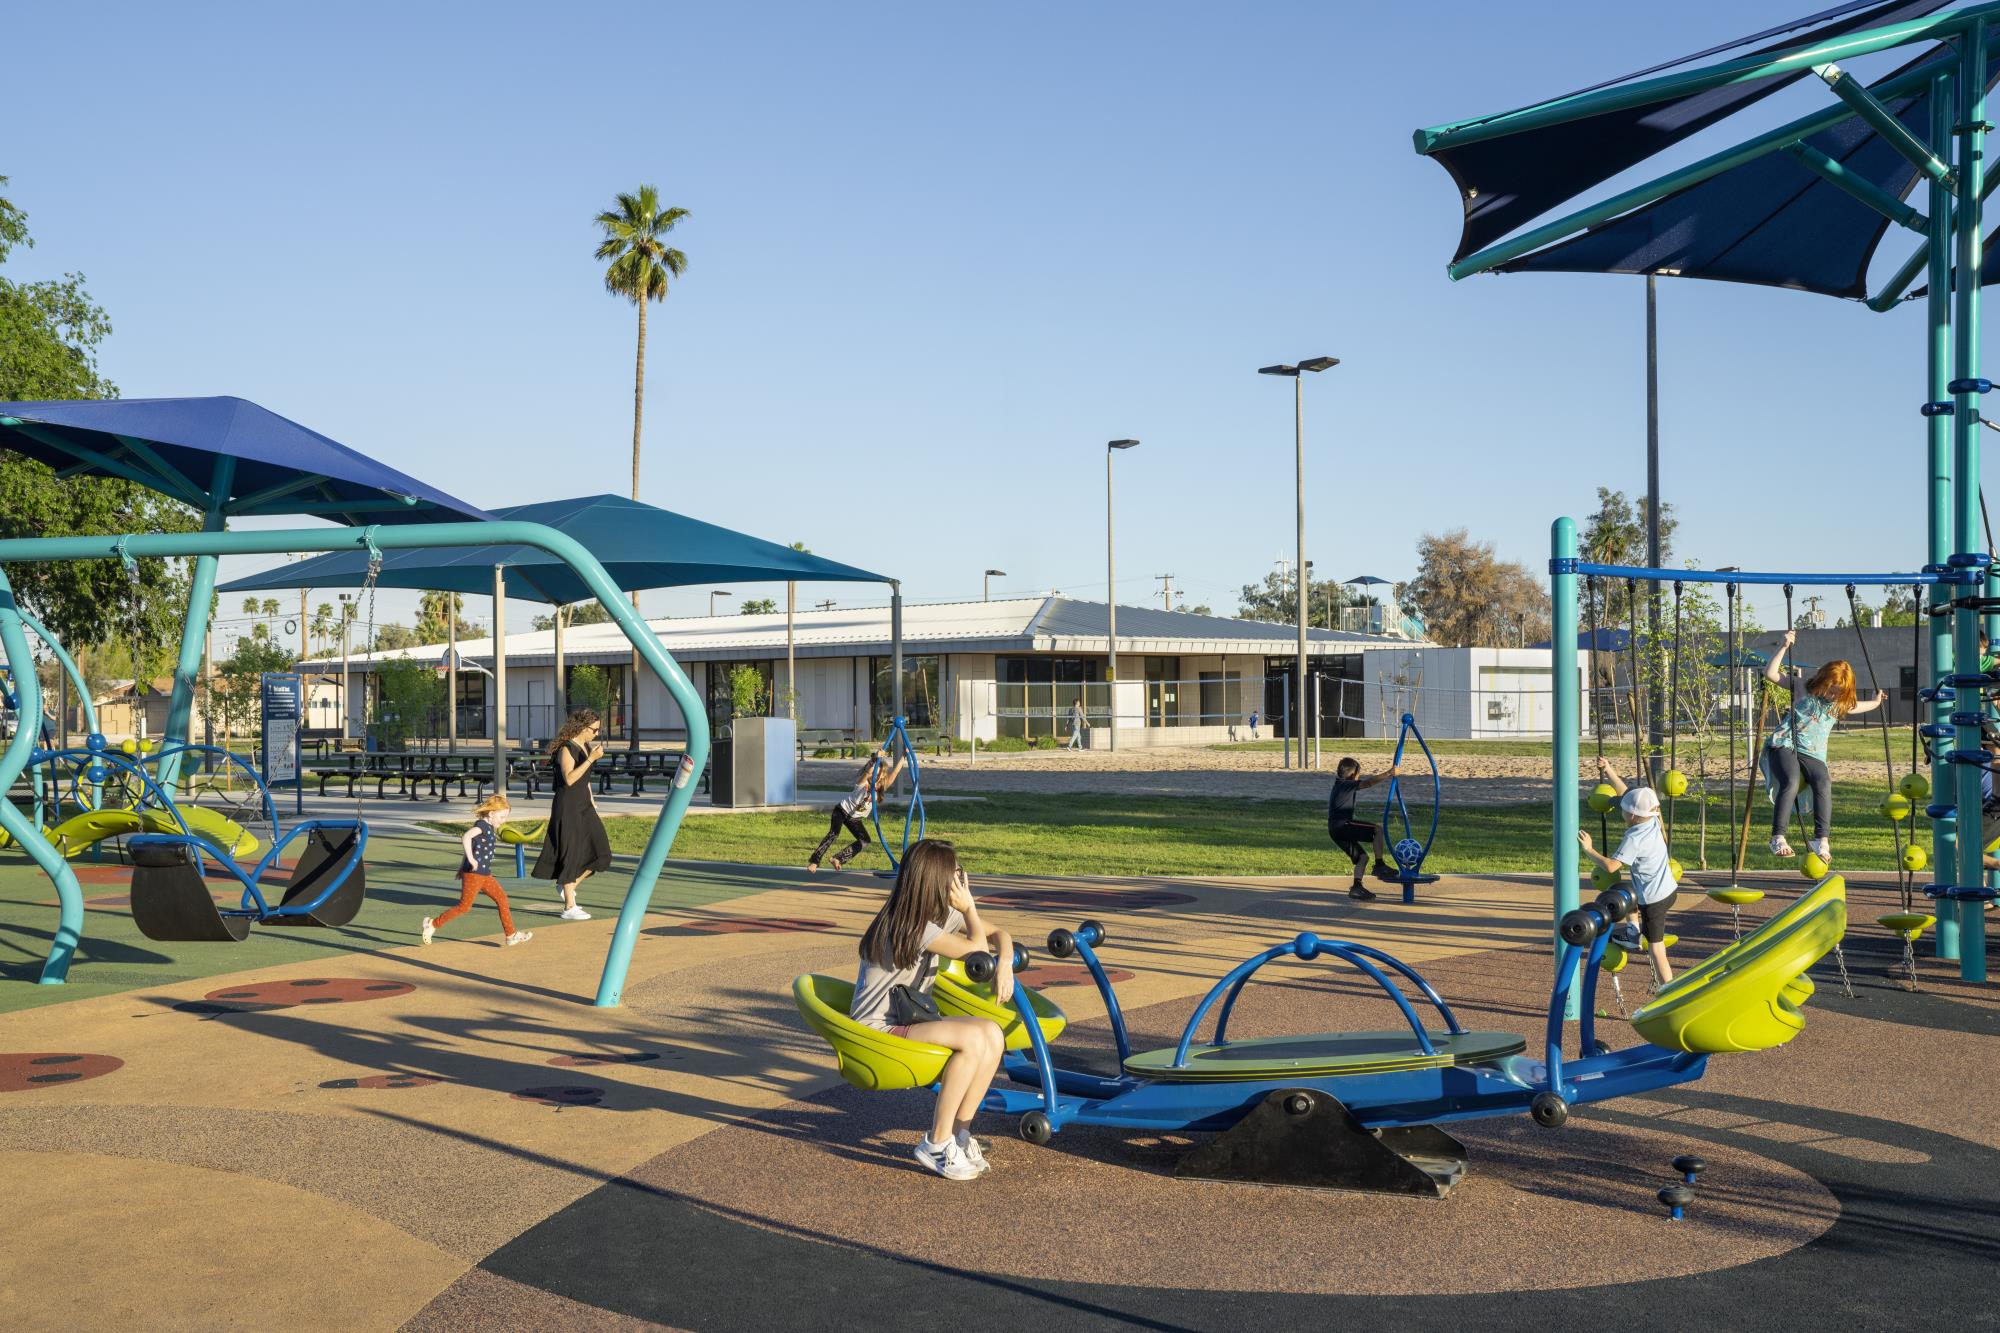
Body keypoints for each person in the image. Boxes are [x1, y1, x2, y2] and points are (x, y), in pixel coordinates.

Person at [851, 839, 1012, 1180]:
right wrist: (970, 910)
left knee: (992, 1035)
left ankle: (961, 1133)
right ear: (936, 880)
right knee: (972, 1040)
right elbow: (980, 951)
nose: (961, 878)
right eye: (956, 873)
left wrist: (1007, 963)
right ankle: (936, 1142)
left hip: (907, 1019)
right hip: (876, 1029)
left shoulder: (930, 917)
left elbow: (1000, 934)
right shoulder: (913, 927)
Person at [1761, 632, 1886, 861]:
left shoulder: (1840, 704)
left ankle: (1821, 839)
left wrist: (1877, 702)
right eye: (1829, 689)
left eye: (1837, 692)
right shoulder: (1801, 687)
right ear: (1821, 680)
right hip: (1787, 743)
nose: (1831, 695)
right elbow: (1770, 674)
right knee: (1790, 781)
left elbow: (1859, 706)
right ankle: (1777, 837)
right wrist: (1784, 646)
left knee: (1824, 781)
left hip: (1814, 753)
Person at [1577, 761, 1675, 983]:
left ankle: (1669, 990)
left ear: (1631, 815)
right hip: (1668, 889)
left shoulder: (1634, 838)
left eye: (1623, 808)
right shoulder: (1654, 819)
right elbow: (1626, 795)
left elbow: (1612, 866)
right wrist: (1608, 769)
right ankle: (1632, 933)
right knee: (1627, 891)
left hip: (1654, 900)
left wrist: (1589, 849)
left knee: (1656, 948)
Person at [533, 709, 612, 920]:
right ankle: (569, 907)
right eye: (594, 729)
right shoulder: (566, 749)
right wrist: (591, 759)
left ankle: (567, 885)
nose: (596, 733)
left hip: (584, 806)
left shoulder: (585, 747)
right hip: (567, 807)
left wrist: (592, 799)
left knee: (601, 853)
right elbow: (569, 779)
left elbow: (583, 780)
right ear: (583, 728)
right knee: (571, 855)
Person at [423, 794, 532, 947]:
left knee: (502, 899)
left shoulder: (489, 828)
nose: (504, 820)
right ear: (491, 814)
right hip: (474, 874)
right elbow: (466, 837)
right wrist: (471, 859)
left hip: (485, 874)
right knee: (464, 907)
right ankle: (433, 924)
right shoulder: (481, 826)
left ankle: (511, 935)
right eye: (502, 817)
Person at [808, 747, 907, 872]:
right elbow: (867, 772)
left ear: (882, 777)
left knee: (865, 840)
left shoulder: (881, 788)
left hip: (854, 818)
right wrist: (876, 758)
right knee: (834, 833)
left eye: (878, 776)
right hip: (842, 810)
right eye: (873, 774)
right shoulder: (862, 783)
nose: (875, 777)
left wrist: (903, 755)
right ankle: (814, 861)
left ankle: (838, 858)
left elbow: (895, 773)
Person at [1326, 756, 1400, 901]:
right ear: (1354, 775)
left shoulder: (1340, 784)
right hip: (1343, 825)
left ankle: (1356, 888)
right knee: (1377, 830)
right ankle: (1379, 865)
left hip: (1334, 830)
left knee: (1362, 857)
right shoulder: (1346, 784)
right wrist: (1389, 773)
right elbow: (1367, 783)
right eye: (1359, 774)